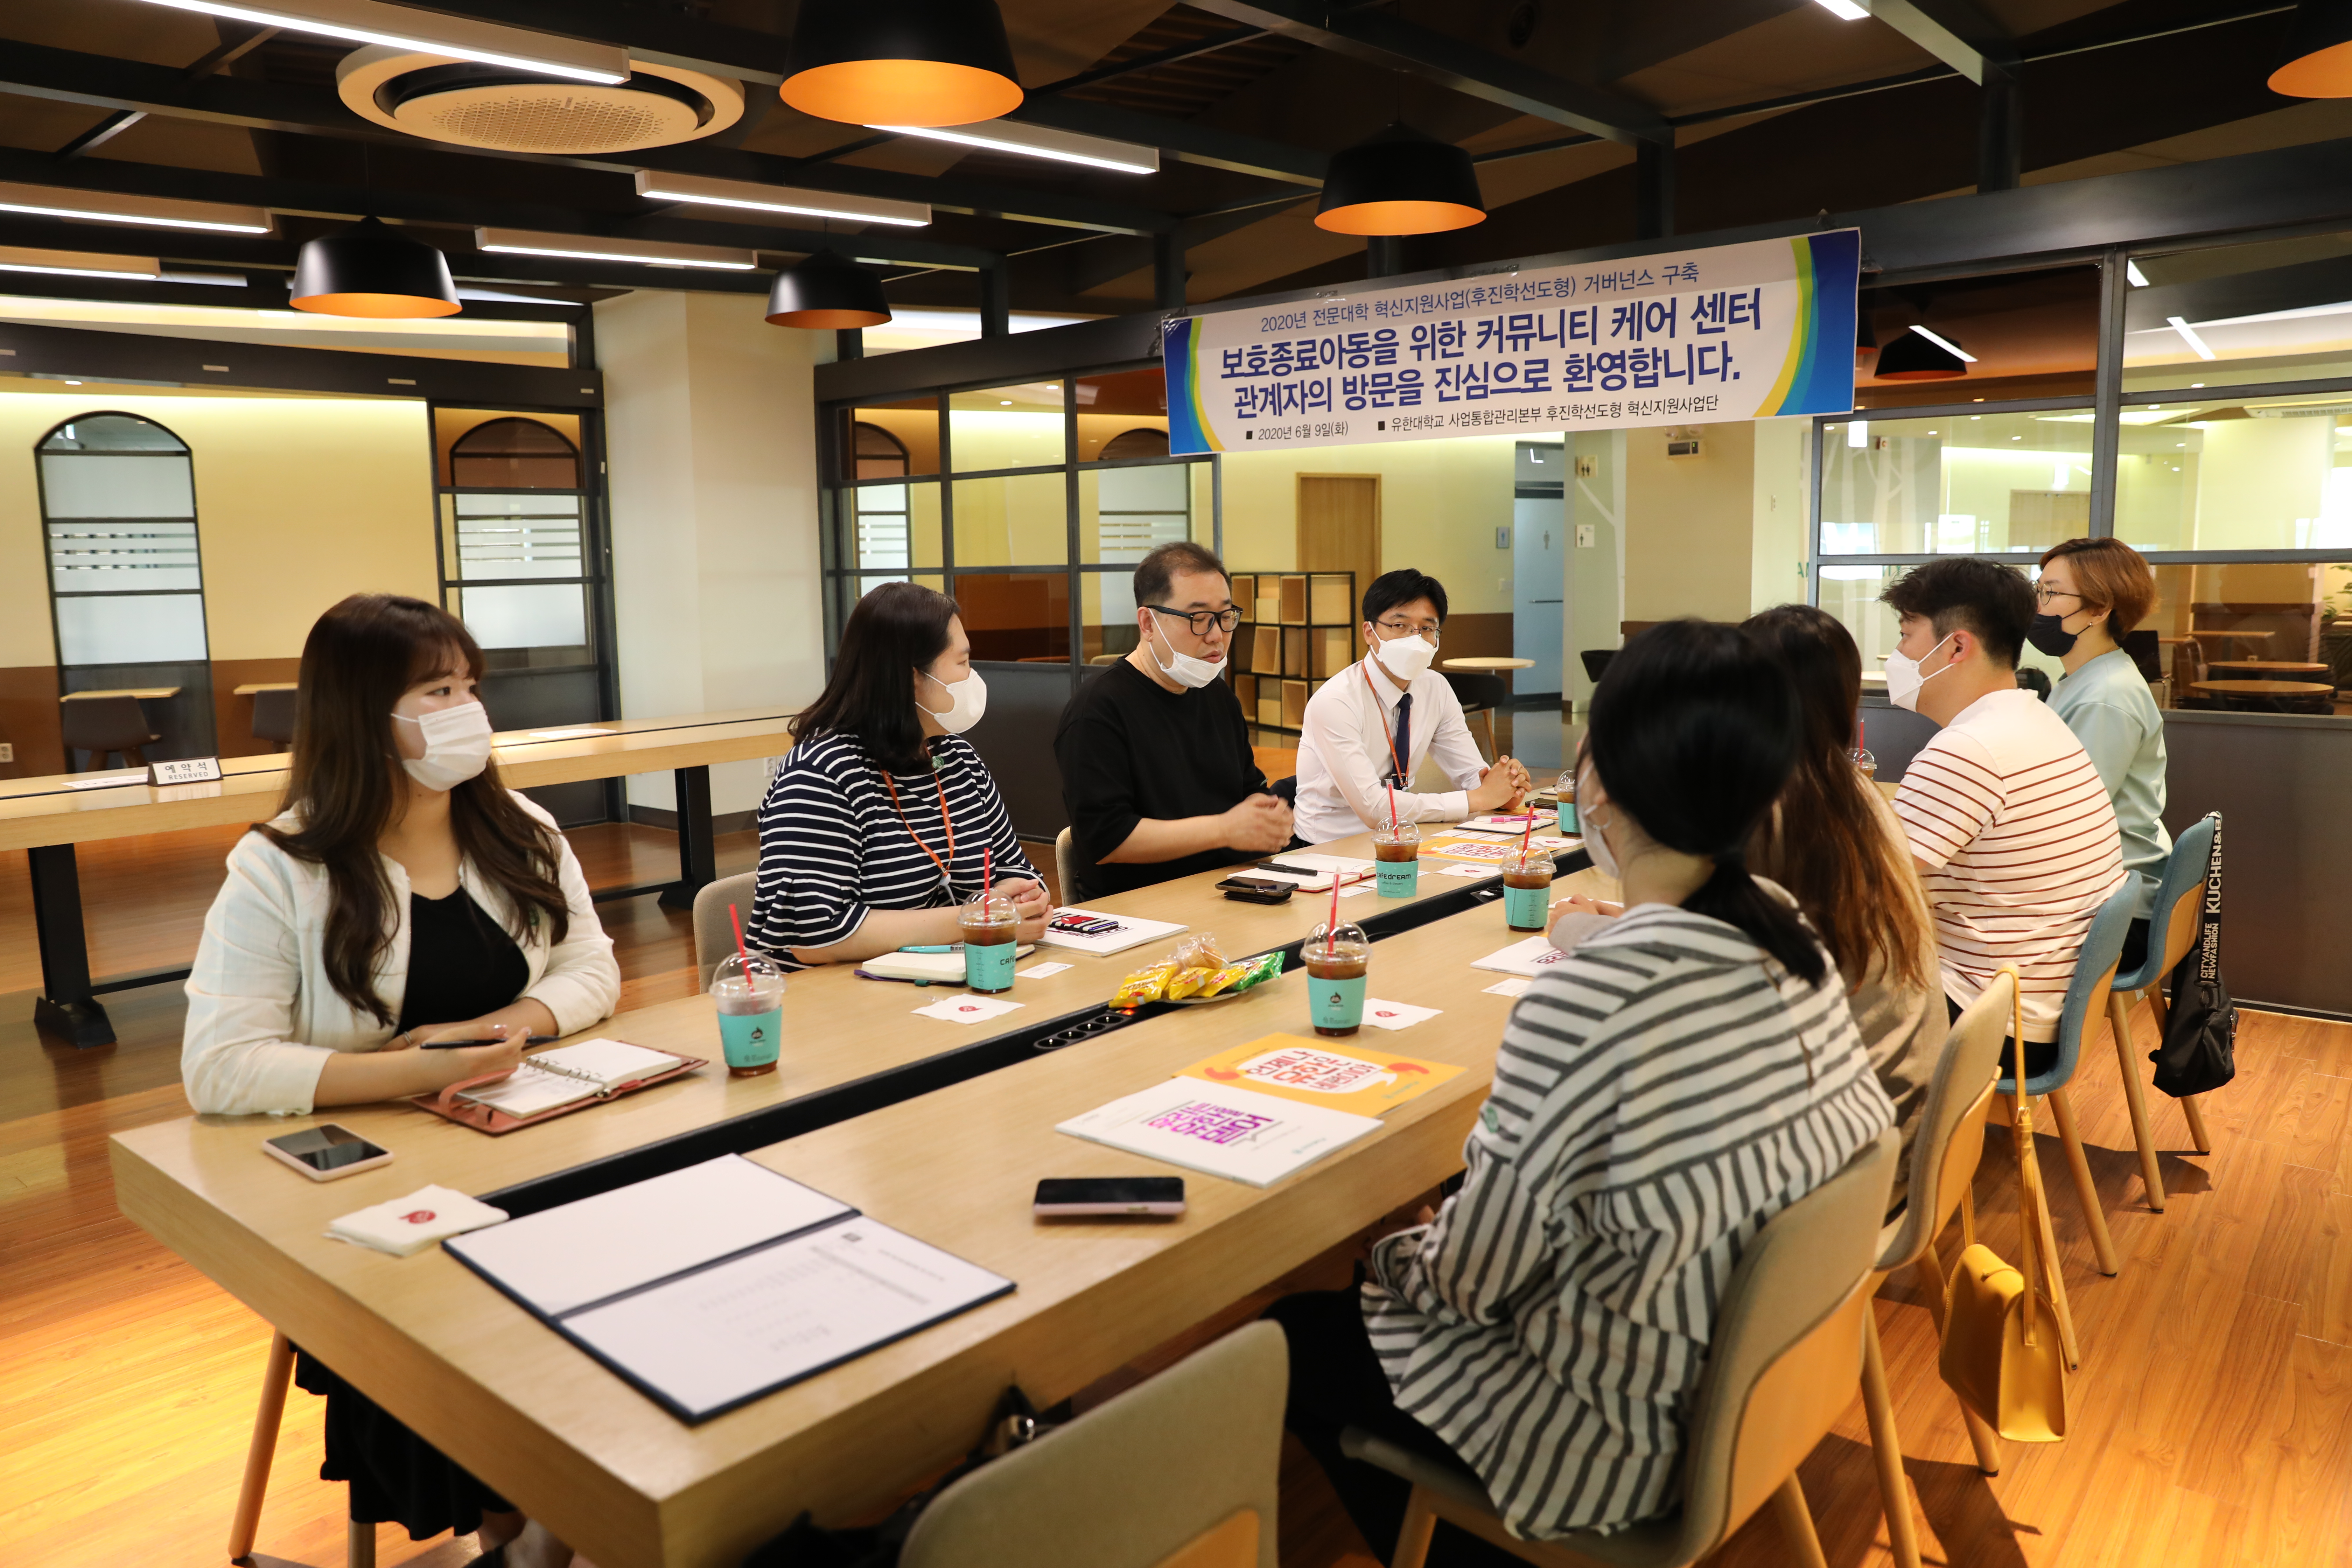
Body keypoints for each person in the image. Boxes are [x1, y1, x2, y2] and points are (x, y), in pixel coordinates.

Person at [1269, 620, 1894, 1561]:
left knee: (1294, 1333)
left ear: (1597, 780)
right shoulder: (1788, 935)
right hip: (1758, 1382)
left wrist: (1379, 1255)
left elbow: (1470, 1284)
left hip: (1611, 1442)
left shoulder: (1592, 999)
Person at [182, 593, 620, 1568]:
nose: (468, 709)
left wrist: (511, 1026)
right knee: (468, 1316)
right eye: (437, 690)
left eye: (470, 687)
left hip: (529, 1138)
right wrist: (405, 1073)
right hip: (377, 1190)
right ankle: (520, 1526)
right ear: (359, 715)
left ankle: (598, 1502)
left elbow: (594, 969)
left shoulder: (520, 829)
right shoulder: (280, 868)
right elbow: (219, 1066)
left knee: (638, 1254)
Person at [1880, 558, 2128, 1077]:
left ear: (1956, 647)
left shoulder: (1968, 749)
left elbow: (1868, 890)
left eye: (1906, 635)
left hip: (1992, 1025)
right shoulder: (2036, 718)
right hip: (2044, 1004)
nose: (1897, 654)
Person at [748, 581, 1049, 967]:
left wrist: (1024, 900)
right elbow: (816, 935)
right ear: (912, 678)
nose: (974, 678)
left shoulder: (958, 759)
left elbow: (1018, 873)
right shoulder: (821, 776)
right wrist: (979, 919)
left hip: (951, 979)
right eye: (963, 663)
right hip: (832, 1001)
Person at [1054, 542, 1290, 899]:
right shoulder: (1097, 712)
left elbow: (1248, 792)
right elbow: (1107, 838)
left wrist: (1268, 817)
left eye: (1226, 617)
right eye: (1198, 619)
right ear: (1148, 623)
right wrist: (1224, 829)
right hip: (1140, 910)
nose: (1216, 635)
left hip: (1227, 893)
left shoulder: (1218, 697)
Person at [1291, 569, 1531, 845]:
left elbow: (1471, 777)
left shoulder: (1435, 687)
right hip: (1331, 849)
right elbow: (1373, 809)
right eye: (1400, 626)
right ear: (1370, 633)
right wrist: (1478, 798)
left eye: (1427, 629)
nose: (1415, 639)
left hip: (1406, 838)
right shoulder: (1335, 701)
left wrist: (1506, 791)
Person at [2036, 537, 2171, 975]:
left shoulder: (2105, 696)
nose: (2038, 606)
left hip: (2116, 916)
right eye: (2038, 590)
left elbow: (2067, 817)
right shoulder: (2084, 677)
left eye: (2051, 593)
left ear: (2099, 609)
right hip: (2108, 892)